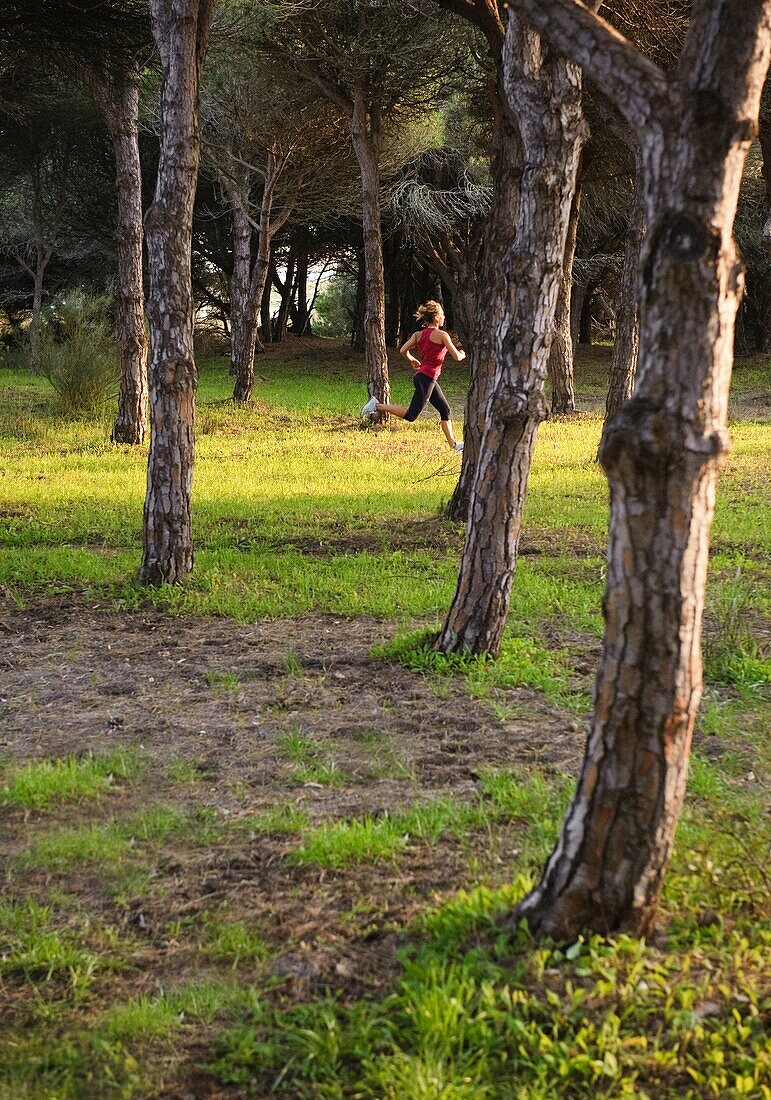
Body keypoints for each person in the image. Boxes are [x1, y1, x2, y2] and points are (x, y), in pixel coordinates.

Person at [360, 300, 466, 451]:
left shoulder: (418, 335)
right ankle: (376, 405)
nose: (444, 317)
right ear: (436, 317)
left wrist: (411, 359)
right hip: (426, 379)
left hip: (425, 378)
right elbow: (457, 357)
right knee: (411, 416)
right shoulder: (442, 335)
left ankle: (454, 446)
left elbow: (403, 349)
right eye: (442, 314)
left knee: (445, 410)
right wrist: (463, 352)